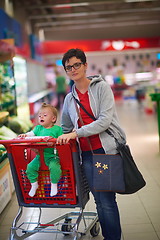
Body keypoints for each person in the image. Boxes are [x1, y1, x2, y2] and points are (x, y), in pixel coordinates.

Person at [56, 48, 126, 240]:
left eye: (77, 64)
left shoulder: (101, 88)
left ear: (85, 65)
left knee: (107, 201)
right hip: (86, 155)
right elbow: (65, 127)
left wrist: (75, 133)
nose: (73, 69)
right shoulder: (69, 99)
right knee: (99, 201)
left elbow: (104, 121)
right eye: (68, 67)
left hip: (105, 151)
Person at [18, 103, 63, 197]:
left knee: (55, 168)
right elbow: (31, 134)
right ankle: (34, 184)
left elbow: (62, 140)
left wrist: (55, 142)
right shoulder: (38, 128)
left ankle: (54, 184)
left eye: (45, 115)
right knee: (30, 167)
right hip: (39, 156)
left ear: (53, 119)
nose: (41, 117)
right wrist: (25, 135)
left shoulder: (57, 130)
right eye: (39, 116)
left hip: (52, 156)